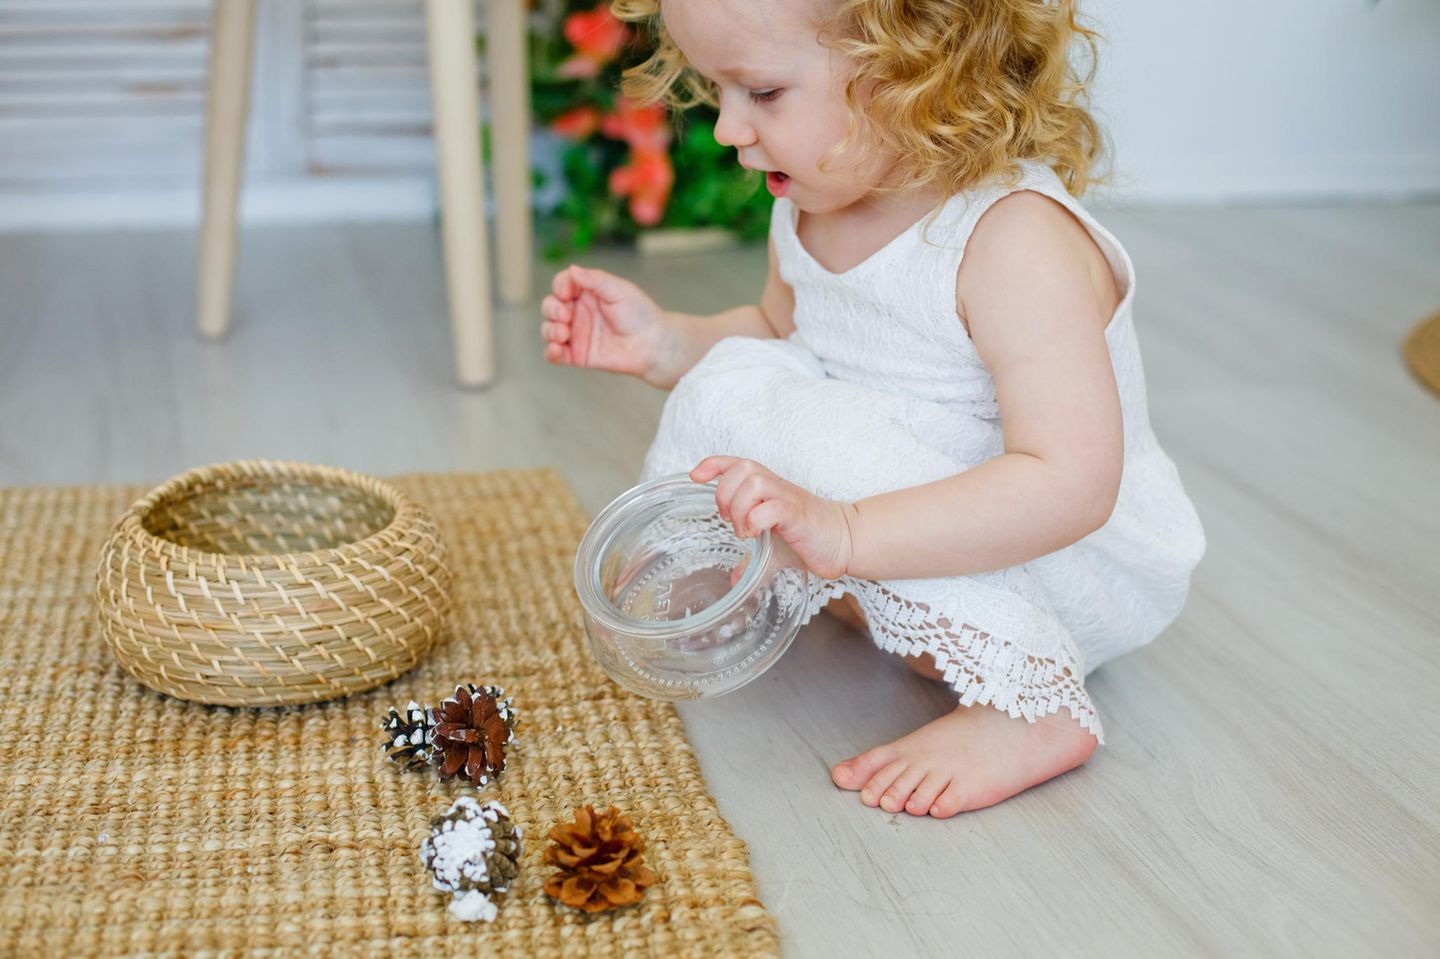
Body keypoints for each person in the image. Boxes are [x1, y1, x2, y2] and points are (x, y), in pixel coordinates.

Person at [540, 0, 1205, 818]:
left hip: (1062, 570)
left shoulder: (1012, 239)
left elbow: (1070, 483)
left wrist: (849, 530)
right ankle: (793, 578)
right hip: (895, 513)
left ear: (912, 70)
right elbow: (784, 336)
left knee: (803, 425)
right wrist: (667, 345)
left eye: (763, 93)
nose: (726, 131)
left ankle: (1031, 706)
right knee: (731, 380)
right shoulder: (810, 202)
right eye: (717, 91)